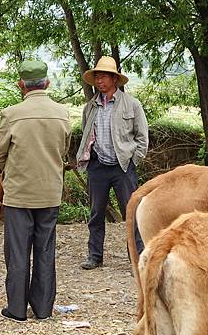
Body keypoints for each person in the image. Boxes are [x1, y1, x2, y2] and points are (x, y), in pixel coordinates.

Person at [0, 60, 71, 322]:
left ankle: (16, 309)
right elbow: (63, 150)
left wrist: (10, 172)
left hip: (19, 193)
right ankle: (43, 308)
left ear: (21, 85)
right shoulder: (62, 113)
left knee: (17, 251)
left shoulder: (11, 114)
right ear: (46, 83)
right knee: (45, 249)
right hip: (50, 192)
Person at [76, 56, 148, 270]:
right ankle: (95, 256)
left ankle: (137, 257)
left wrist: (133, 160)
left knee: (131, 212)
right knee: (96, 213)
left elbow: (142, 137)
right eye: (97, 77)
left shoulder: (131, 104)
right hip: (97, 167)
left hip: (123, 167)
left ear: (114, 79)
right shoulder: (91, 107)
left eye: (104, 76)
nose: (100, 81)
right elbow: (86, 133)